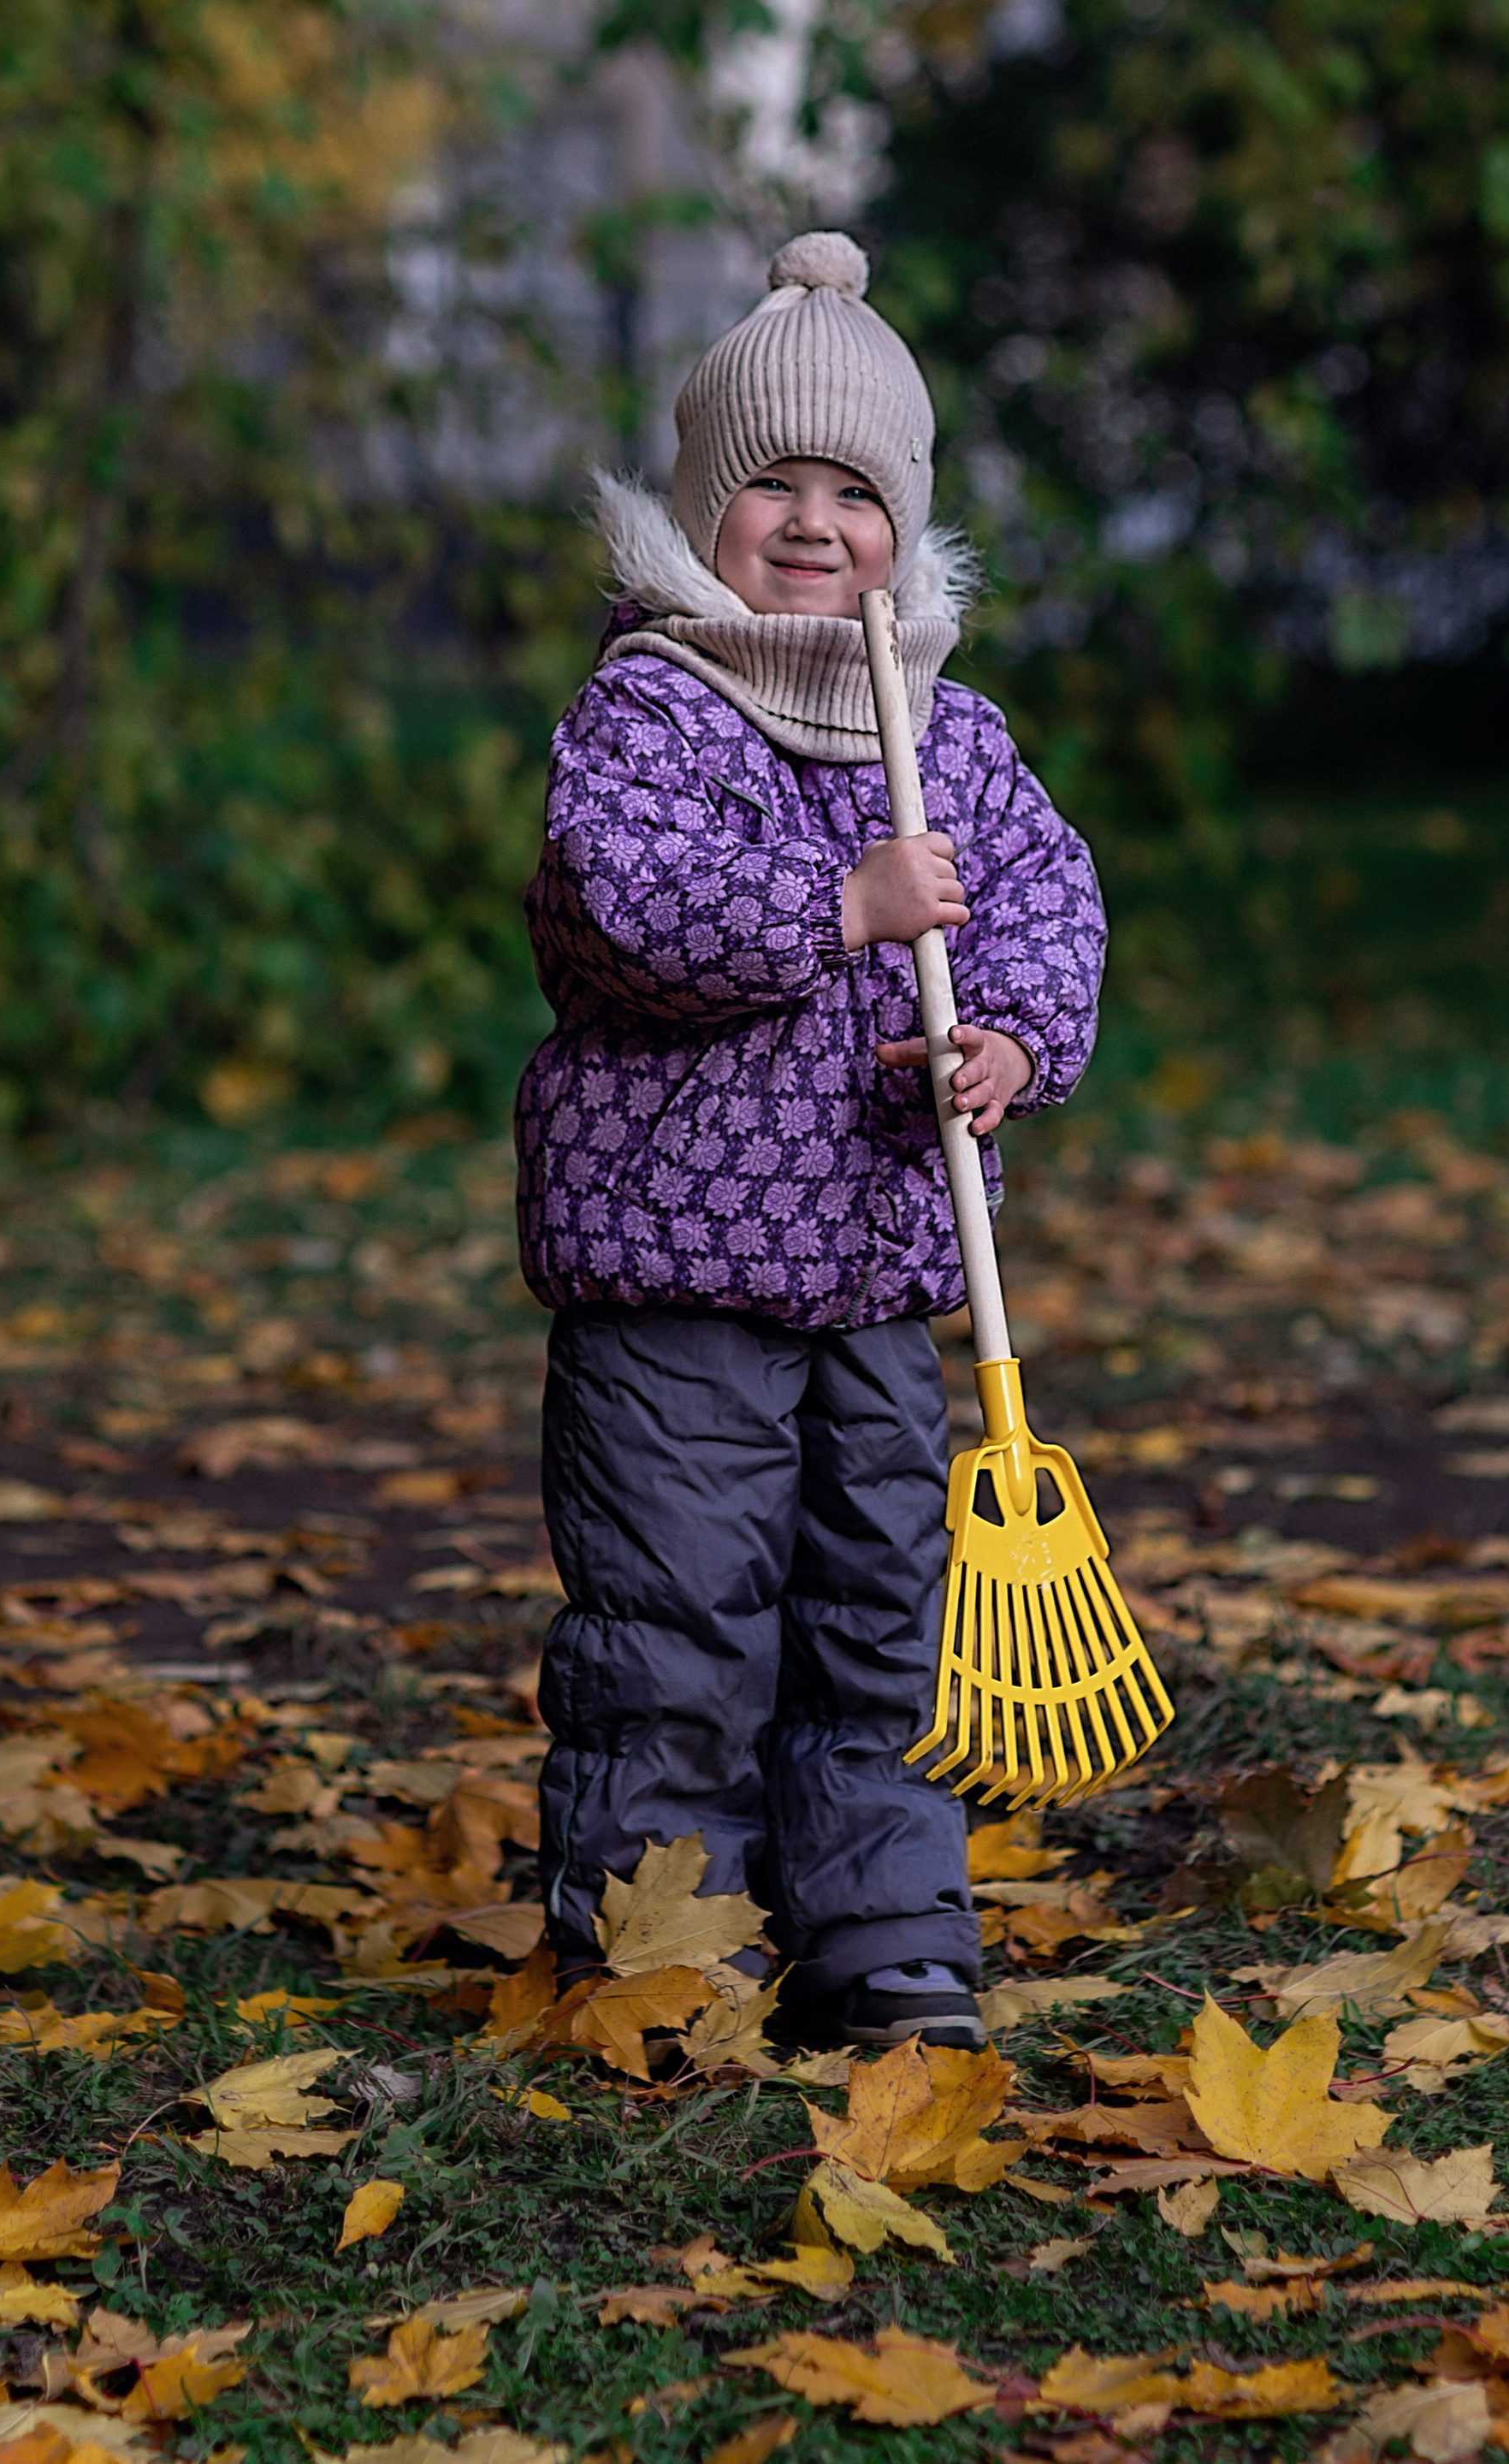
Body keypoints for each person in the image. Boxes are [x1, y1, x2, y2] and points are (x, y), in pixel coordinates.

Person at [514, 230, 1107, 2050]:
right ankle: (660, 1936)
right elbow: (620, 909)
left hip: (875, 1276)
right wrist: (841, 904)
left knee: (877, 1610)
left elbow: (1045, 903)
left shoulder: (949, 732)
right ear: (706, 503)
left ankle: (882, 1927)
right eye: (772, 482)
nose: (812, 522)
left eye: (854, 494)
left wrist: (1008, 1041)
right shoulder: (655, 707)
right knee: (676, 1617)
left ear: (900, 525)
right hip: (674, 1272)